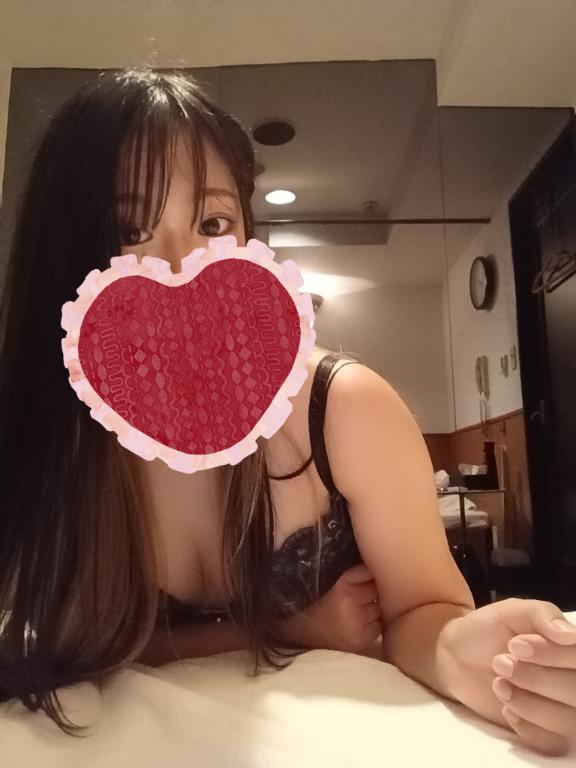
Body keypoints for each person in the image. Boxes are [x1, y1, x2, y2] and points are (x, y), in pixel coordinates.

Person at [0, 68, 575, 758]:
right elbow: (54, 645)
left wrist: (475, 656)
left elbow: (426, 612)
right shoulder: (49, 445)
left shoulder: (344, 411)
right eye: (128, 229)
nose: (182, 266)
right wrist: (285, 629)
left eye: (214, 223)